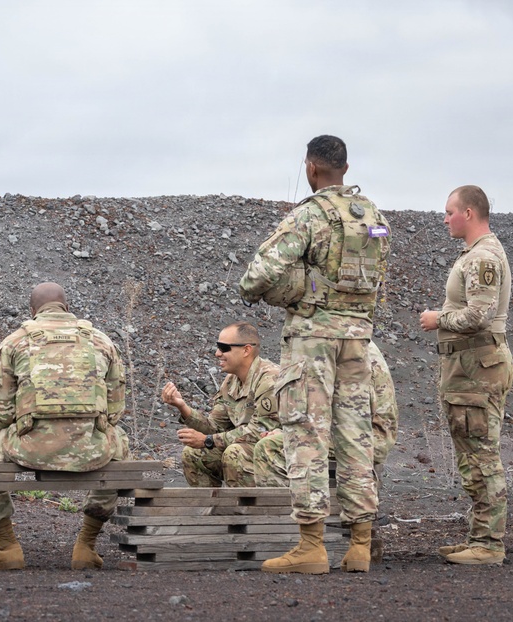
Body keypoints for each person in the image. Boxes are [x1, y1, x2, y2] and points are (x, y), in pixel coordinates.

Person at [239, 135, 390, 574]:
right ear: (345, 166)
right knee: (355, 436)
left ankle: (311, 546)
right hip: (358, 339)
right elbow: (376, 278)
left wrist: (302, 288)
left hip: (313, 342)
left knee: (306, 434)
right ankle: (360, 545)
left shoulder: (308, 215)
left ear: (311, 168)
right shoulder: (375, 218)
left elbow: (257, 274)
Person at [0, 283, 130, 570]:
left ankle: (7, 546)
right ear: (67, 309)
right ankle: (86, 546)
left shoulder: (13, 342)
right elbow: (115, 412)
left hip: (27, 451)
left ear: (33, 311)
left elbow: (0, 414)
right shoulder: (102, 341)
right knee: (119, 442)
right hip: (91, 452)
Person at [419, 185, 513, 566]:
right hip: (468, 367)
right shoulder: (475, 255)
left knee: (481, 456)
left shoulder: (483, 258)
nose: (445, 219)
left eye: (449, 211)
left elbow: (479, 316)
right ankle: (479, 536)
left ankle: (489, 544)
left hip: (478, 368)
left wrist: (437, 319)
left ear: (469, 213)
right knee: (472, 455)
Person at [251, 341, 398, 487]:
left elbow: (350, 415)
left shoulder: (347, 347)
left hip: (365, 438)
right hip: (345, 433)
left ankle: (287, 507)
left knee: (269, 448)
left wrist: (292, 435)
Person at [161, 322, 280, 487]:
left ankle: (248, 511)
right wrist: (183, 407)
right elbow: (215, 427)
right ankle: (213, 509)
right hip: (252, 451)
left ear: (246, 350)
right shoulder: (231, 381)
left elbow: (260, 432)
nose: (217, 353)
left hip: (283, 455)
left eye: (224, 348)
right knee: (193, 453)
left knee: (235, 453)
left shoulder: (269, 380)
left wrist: (208, 440)